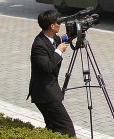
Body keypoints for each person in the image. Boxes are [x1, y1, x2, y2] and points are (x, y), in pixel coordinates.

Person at [28, 9, 77, 137]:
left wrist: (77, 31)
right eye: (58, 22)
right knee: (66, 129)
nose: (60, 25)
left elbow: (63, 39)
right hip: (44, 93)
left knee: (53, 127)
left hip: (50, 91)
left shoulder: (52, 38)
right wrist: (58, 51)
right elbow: (47, 68)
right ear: (52, 26)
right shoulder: (39, 45)